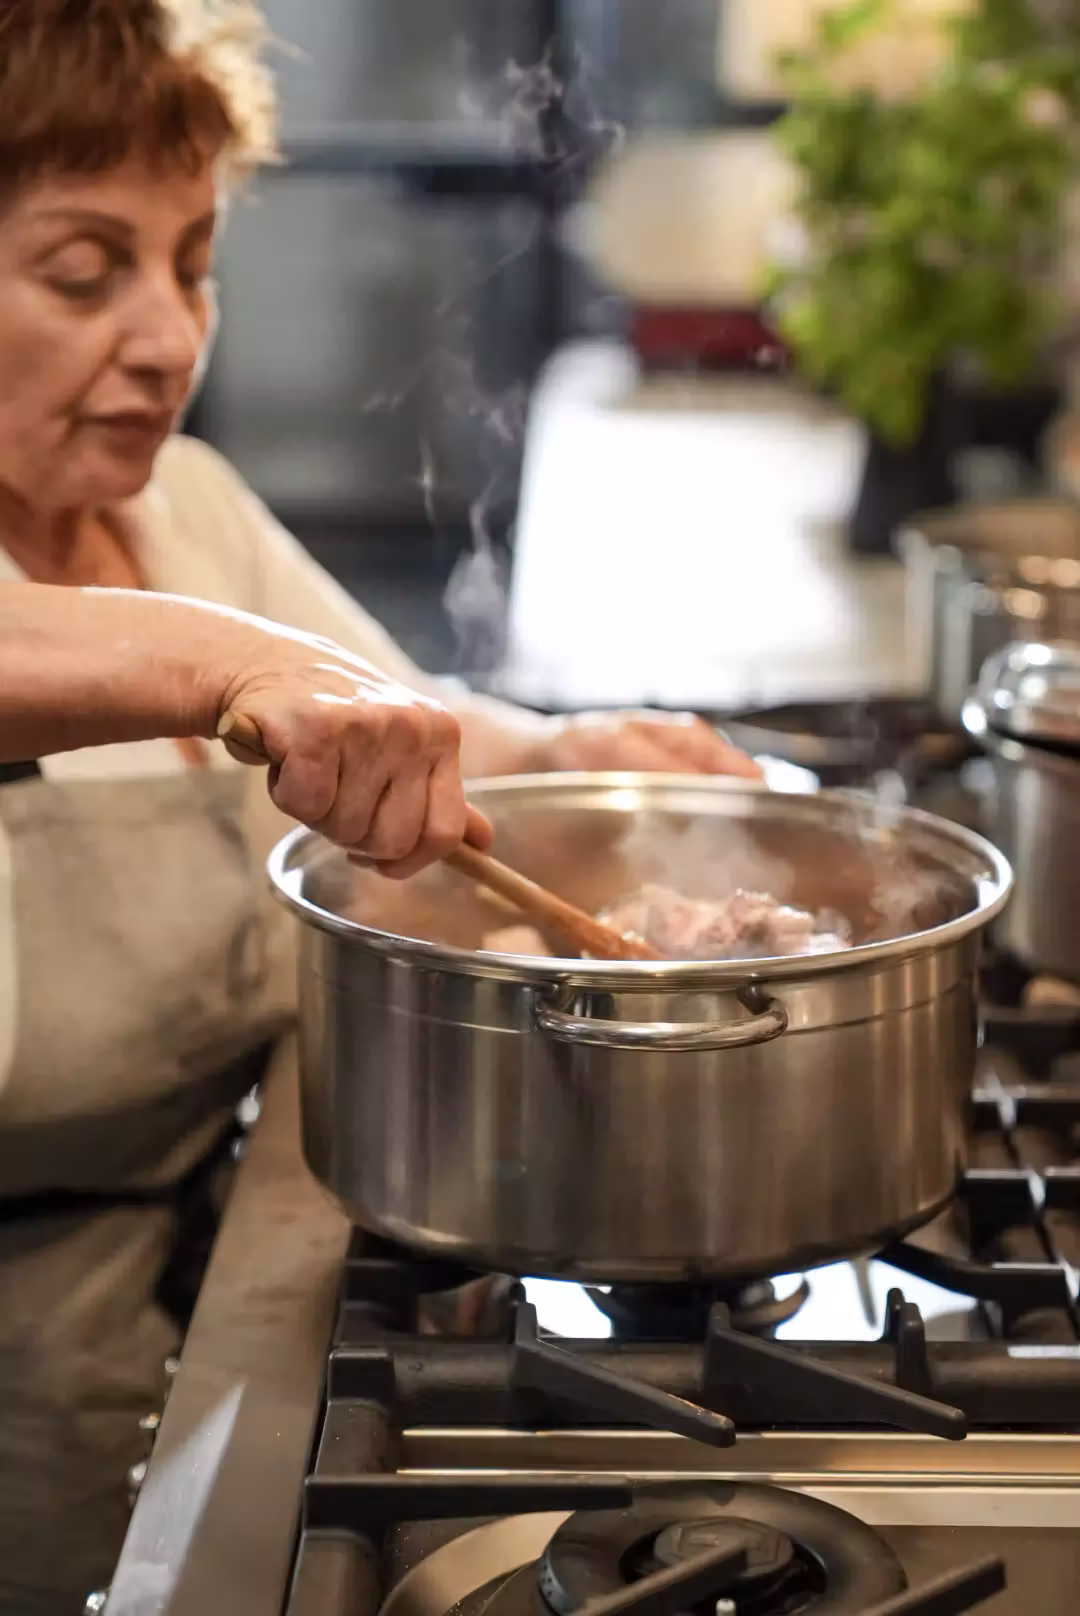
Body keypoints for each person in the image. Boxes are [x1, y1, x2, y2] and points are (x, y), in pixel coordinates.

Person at [0, 3, 758, 1610]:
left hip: (183, 1303)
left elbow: (387, 718)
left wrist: (573, 754)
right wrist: (227, 668)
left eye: (192, 264)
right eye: (82, 272)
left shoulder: (180, 509)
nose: (168, 338)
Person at [0, 579, 493, 873]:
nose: (165, 398)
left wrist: (539, 754)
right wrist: (235, 661)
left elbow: (388, 714)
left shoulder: (191, 487)